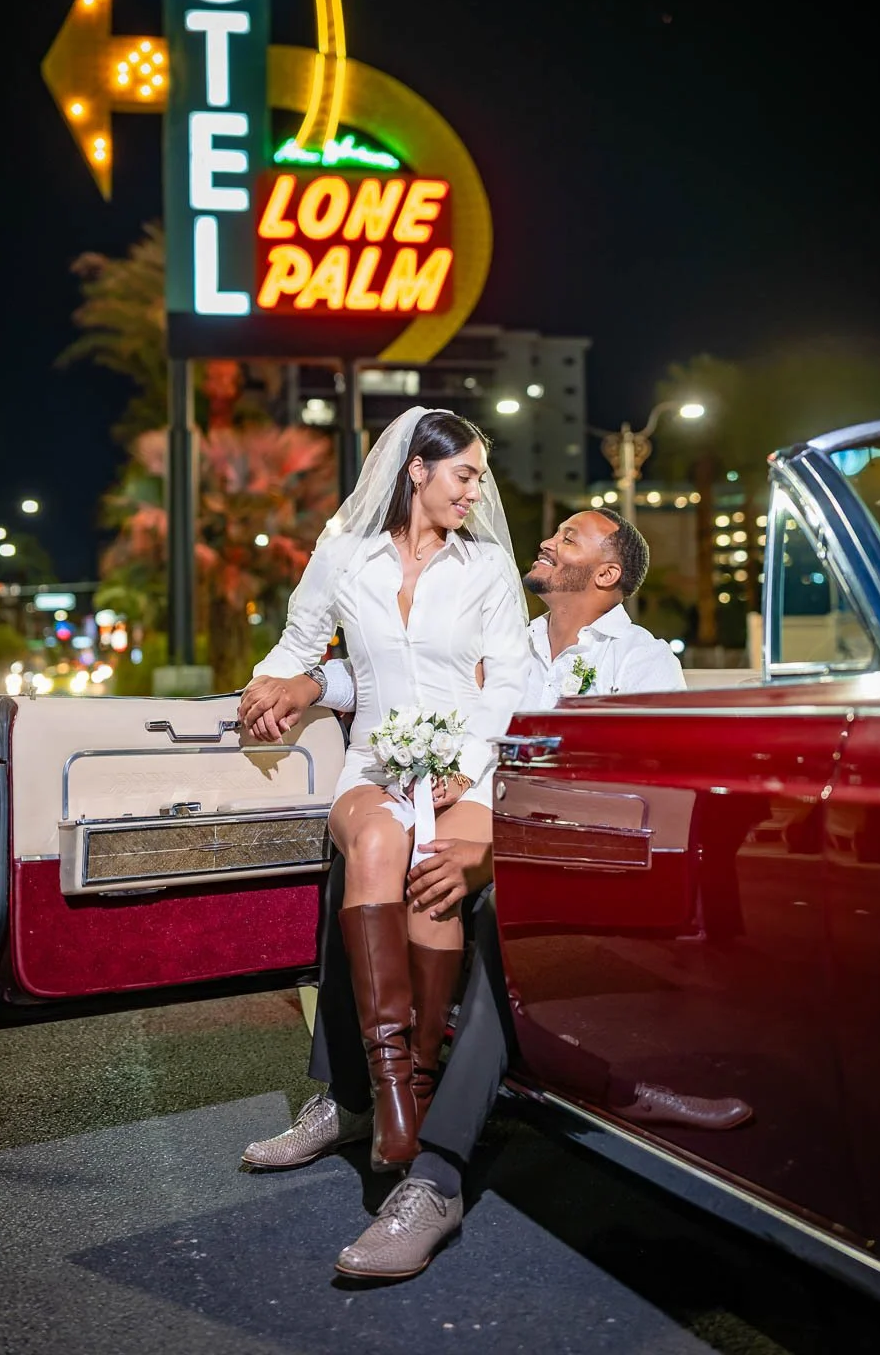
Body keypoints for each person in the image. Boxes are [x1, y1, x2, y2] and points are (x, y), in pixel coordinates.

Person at [241, 509, 751, 1263]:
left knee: (492, 914)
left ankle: (437, 1176)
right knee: (360, 853)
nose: (545, 542)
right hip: (469, 827)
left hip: (564, 864)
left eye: (570, 538)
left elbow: (632, 801)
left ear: (607, 573)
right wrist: (311, 680)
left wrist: (494, 850)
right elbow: (394, 667)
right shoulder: (498, 633)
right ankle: (350, 1098)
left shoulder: (640, 662)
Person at [242, 406, 530, 1172]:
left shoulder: (487, 568)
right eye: (463, 474)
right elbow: (299, 641)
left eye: (477, 477)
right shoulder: (345, 556)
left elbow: (508, 680)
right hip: (371, 756)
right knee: (374, 839)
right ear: (417, 471)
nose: (475, 491)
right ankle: (393, 1095)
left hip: (466, 763)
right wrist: (276, 686)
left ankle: (417, 1092)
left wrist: (464, 765)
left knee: (431, 873)